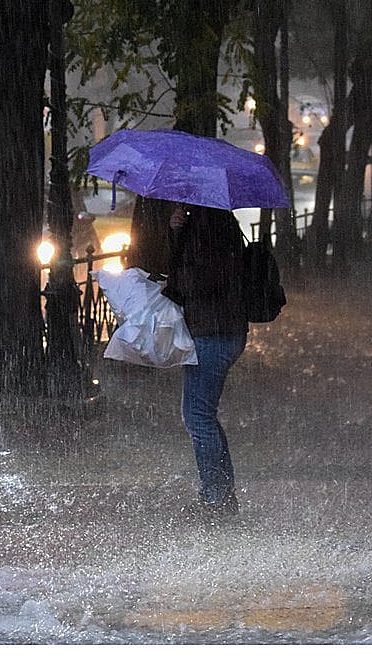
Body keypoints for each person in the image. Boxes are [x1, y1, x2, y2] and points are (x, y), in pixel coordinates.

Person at [163, 203, 248, 520]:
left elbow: (199, 281)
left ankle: (216, 498)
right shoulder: (215, 220)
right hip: (220, 329)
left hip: (213, 332)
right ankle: (221, 494)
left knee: (198, 417)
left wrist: (171, 286)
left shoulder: (208, 225)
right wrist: (177, 232)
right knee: (202, 416)